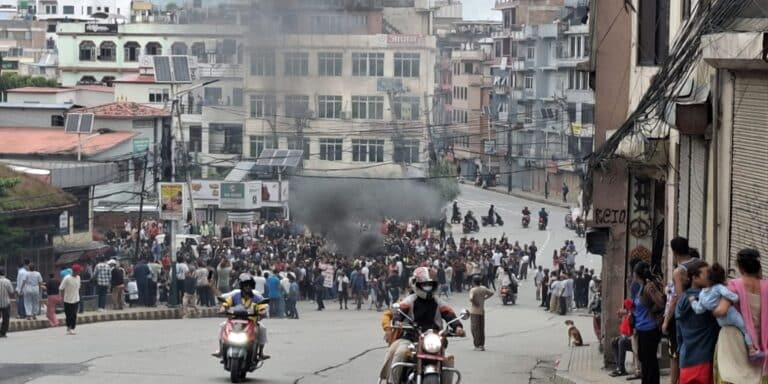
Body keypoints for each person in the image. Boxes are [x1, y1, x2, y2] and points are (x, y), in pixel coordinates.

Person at [381, 267, 465, 384]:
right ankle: (392, 382)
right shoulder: (409, 300)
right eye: (425, 284)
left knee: (448, 359)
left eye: (430, 284)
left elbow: (449, 314)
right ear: (417, 284)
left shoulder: (438, 302)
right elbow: (398, 312)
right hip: (411, 338)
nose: (428, 287)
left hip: (434, 339)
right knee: (400, 353)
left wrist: (458, 327)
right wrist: (397, 321)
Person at [712, 248, 768, 384]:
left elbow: (722, 310)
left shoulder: (733, 285)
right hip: (760, 345)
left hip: (734, 345)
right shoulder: (766, 286)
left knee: (731, 378)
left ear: (740, 266)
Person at [689, 262, 762, 358]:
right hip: (731, 315)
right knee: (745, 330)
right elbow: (732, 296)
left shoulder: (702, 294)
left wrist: (693, 301)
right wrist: (737, 297)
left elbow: (699, 310)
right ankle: (751, 349)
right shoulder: (719, 288)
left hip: (721, 321)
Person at [676, 260, 721, 384]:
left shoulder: (682, 300)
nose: (711, 277)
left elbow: (678, 333)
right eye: (708, 274)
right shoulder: (708, 300)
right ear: (695, 278)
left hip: (685, 361)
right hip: (704, 360)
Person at [662, 237, 698, 384]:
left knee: (675, 353)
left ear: (674, 251)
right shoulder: (699, 263)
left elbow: (678, 298)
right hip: (701, 313)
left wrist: (666, 320)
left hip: (683, 318)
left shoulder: (679, 271)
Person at [213, 274, 270, 362]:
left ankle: (261, 353)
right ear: (241, 286)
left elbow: (262, 307)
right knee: (222, 326)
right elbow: (226, 304)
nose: (248, 287)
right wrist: (223, 309)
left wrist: (262, 312)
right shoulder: (235, 296)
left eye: (250, 285)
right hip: (234, 321)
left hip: (251, 321)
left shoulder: (257, 297)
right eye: (245, 285)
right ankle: (221, 350)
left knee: (262, 328)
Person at [632, 261, 664, 384]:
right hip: (642, 329)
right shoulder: (641, 286)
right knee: (644, 360)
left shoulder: (649, 287)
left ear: (636, 274)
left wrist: (652, 310)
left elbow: (661, 303)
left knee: (649, 362)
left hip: (650, 329)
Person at [469, 275, 493, 351]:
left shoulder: (473, 290)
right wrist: (484, 299)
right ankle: (482, 345)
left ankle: (477, 345)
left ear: (473, 282)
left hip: (474, 311)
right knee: (481, 328)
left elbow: (471, 298)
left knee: (475, 329)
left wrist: (475, 303)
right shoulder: (483, 288)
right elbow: (491, 293)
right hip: (482, 311)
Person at [60, 264, 82, 335]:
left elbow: (79, 287)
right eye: (78, 271)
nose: (79, 272)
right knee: (68, 315)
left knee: (74, 314)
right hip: (67, 299)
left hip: (76, 299)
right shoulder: (67, 278)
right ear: (74, 271)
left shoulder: (78, 277)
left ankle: (72, 328)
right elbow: (61, 288)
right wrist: (61, 298)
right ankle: (68, 326)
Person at [0, 267, 15, 337]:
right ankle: (3, 332)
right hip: (6, 302)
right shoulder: (7, 281)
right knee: (6, 319)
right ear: (4, 273)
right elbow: (11, 291)